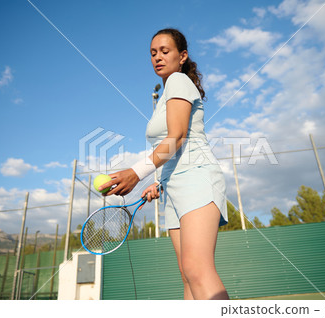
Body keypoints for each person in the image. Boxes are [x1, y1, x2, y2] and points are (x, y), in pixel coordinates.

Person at [100, 28, 229, 300]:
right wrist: (158, 181)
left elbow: (178, 136)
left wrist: (136, 173)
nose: (157, 57)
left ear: (182, 56)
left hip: (198, 179)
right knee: (187, 277)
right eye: (153, 53)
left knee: (197, 270)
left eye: (165, 51)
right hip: (173, 187)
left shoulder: (179, 81)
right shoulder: (167, 92)